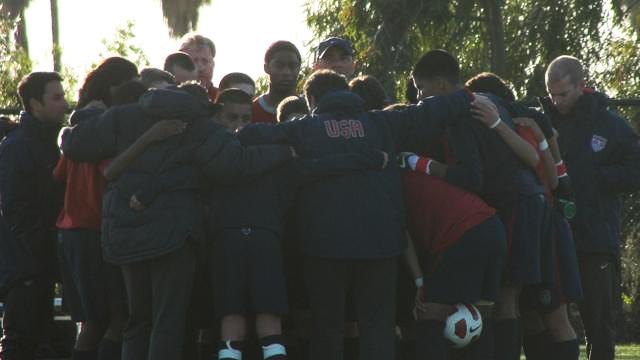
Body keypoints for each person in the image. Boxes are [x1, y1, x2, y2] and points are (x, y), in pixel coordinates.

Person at [238, 69, 492, 360]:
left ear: (312, 100)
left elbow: (249, 134)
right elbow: (430, 111)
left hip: (324, 246)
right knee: (378, 331)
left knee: (326, 330)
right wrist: (469, 96)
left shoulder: (303, 128)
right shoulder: (382, 122)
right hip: (380, 245)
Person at [59, 83, 296, 360]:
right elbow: (233, 165)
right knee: (166, 321)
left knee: (137, 319)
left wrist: (66, 130)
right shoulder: (203, 127)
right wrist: (283, 152)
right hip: (175, 234)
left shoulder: (122, 116)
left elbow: (74, 145)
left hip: (125, 227)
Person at [209, 88, 387, 360]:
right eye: (232, 118)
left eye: (246, 118)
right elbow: (319, 167)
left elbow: (320, 167)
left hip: (252, 242)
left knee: (257, 320)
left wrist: (369, 158)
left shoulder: (213, 155)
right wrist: (371, 158)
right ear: (217, 118)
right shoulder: (268, 156)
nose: (239, 126)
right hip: (246, 241)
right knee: (238, 320)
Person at [466, 71, 583, 360]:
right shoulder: (522, 120)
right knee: (532, 311)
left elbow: (554, 179)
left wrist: (540, 137)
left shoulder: (523, 121)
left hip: (542, 219)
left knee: (543, 308)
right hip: (537, 217)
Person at [541, 55, 640, 360]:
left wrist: (596, 178)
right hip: (552, 233)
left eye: (563, 93)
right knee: (544, 316)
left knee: (599, 321)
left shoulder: (608, 123)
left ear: (581, 86)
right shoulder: (542, 121)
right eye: (551, 93)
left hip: (594, 235)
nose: (556, 100)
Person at [54, 57, 139, 360]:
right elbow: (111, 171)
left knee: (92, 319)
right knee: (116, 315)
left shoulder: (75, 129)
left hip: (70, 229)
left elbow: (59, 175)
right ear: (114, 87)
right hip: (94, 227)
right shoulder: (108, 126)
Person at [0, 71, 68, 360]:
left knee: (41, 337)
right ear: (33, 103)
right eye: (57, 97)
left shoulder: (48, 142)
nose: (64, 103)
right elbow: (17, 207)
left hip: (37, 256)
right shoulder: (19, 146)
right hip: (27, 261)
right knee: (24, 337)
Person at [253, 41, 302, 124]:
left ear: (299, 68)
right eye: (279, 65)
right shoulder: (251, 111)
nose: (286, 72)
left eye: (292, 66)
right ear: (266, 68)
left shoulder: (310, 111)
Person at [179, 33, 218, 101]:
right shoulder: (169, 98)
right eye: (194, 61)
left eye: (205, 61)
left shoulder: (222, 99)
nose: (200, 68)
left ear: (213, 64)